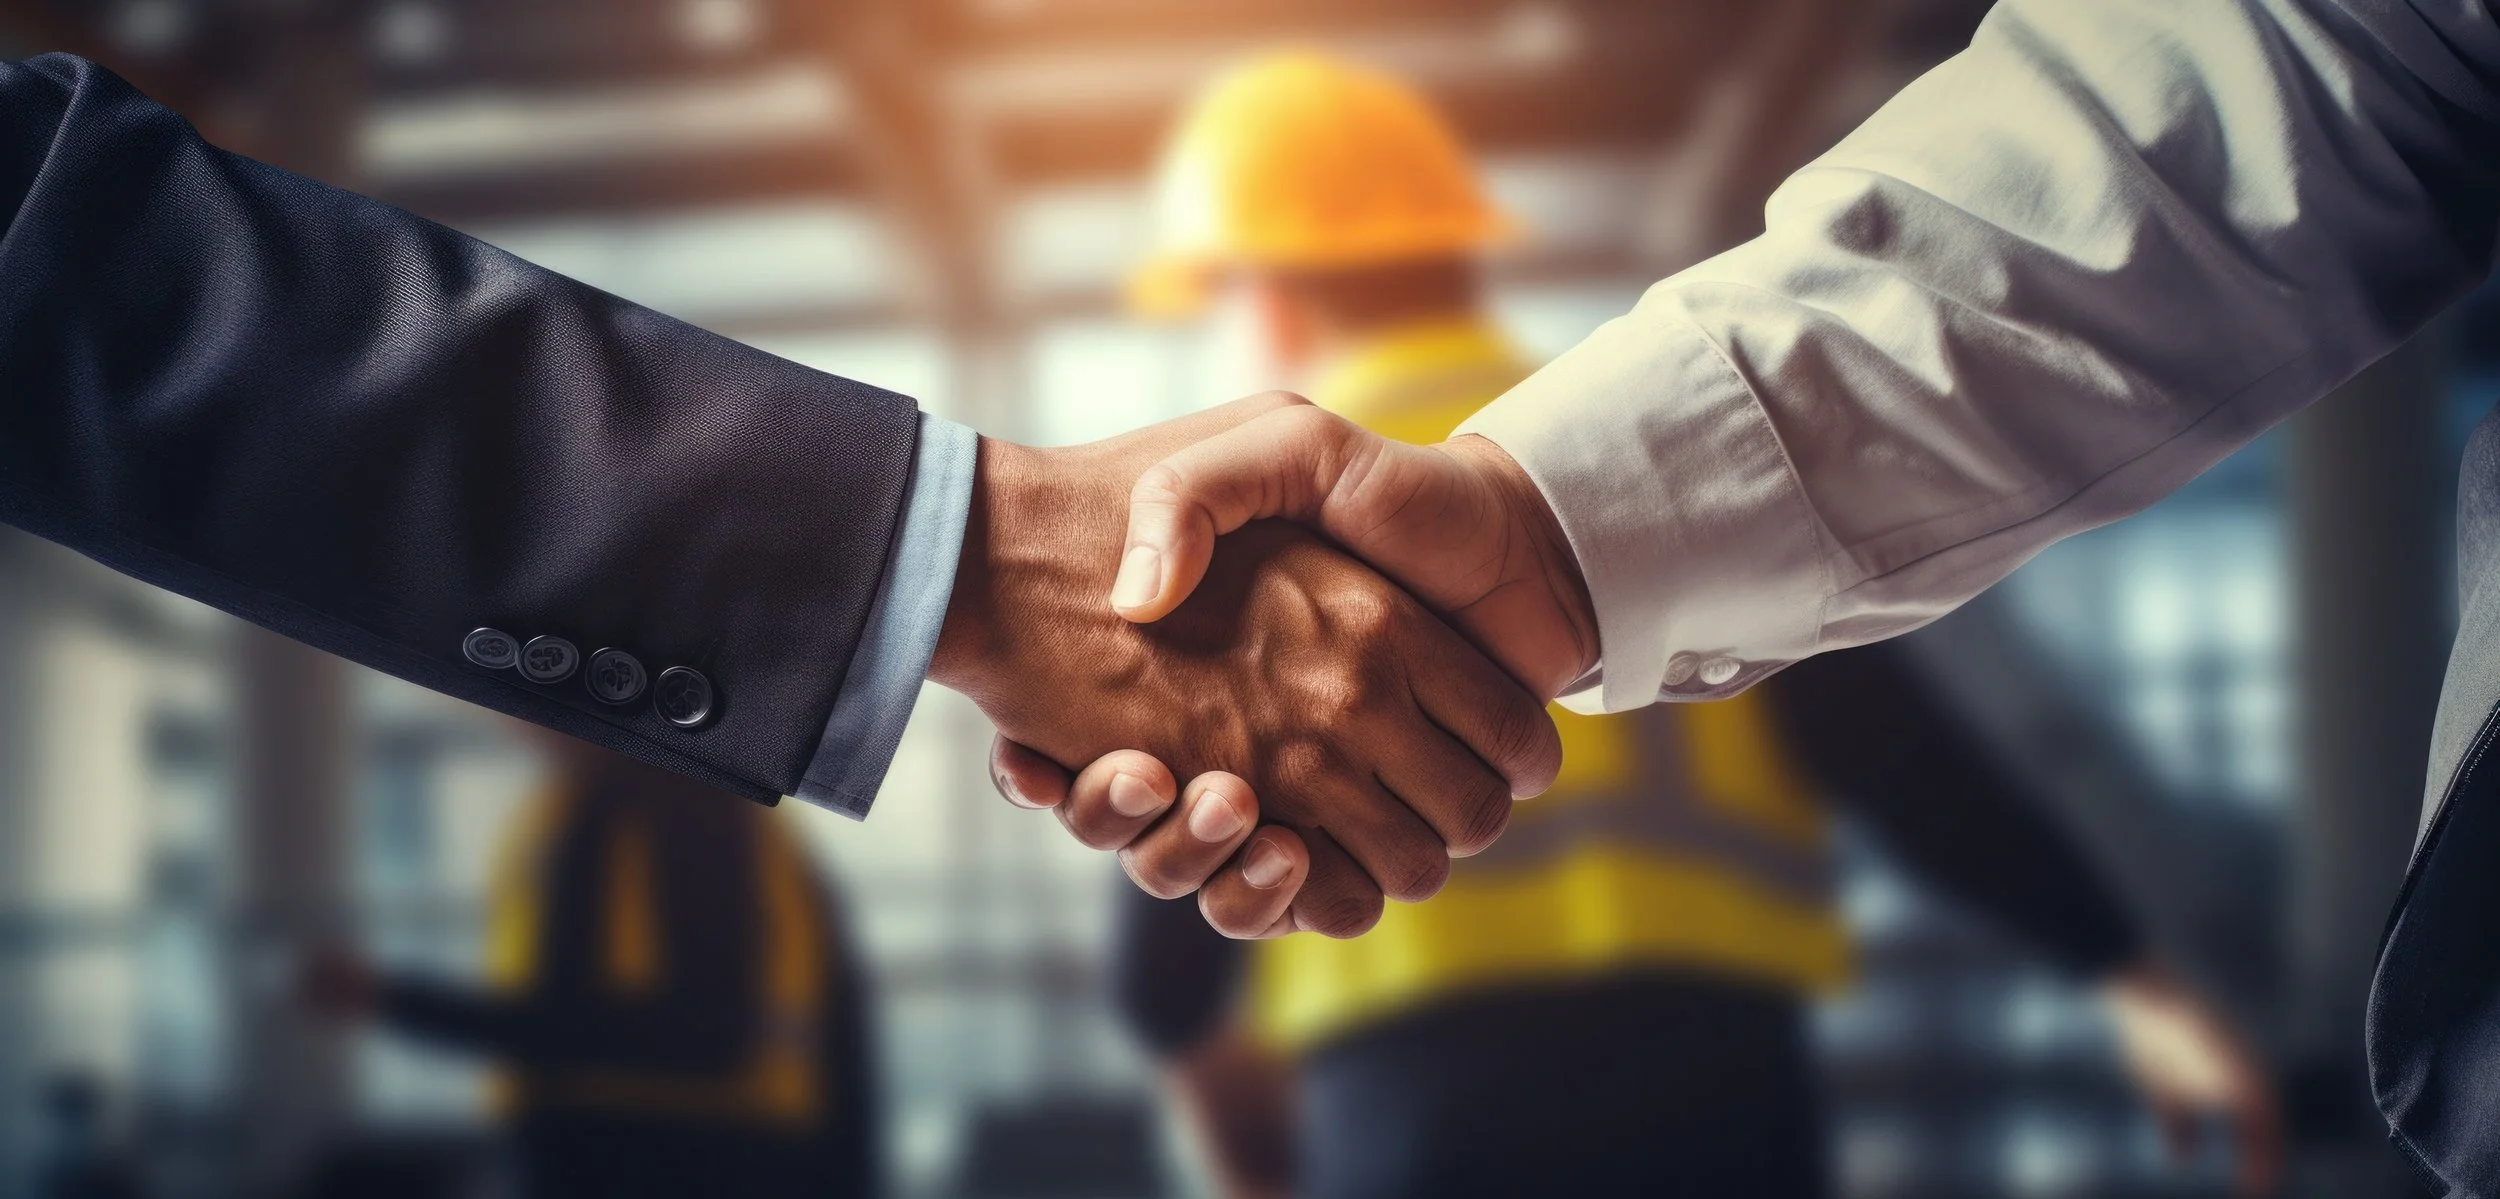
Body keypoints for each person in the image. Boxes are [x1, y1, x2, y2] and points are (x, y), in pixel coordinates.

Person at [1013, 1, 2500, 1190]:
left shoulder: (1278, 521)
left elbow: (1171, 941)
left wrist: (1230, 1119)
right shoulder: (1590, 449)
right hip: (1712, 1081)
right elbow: (1897, 753)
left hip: (1411, 1101)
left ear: (1261, 287)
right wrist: (2129, 974)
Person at [0, 51, 1567, 939]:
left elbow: (69, 265)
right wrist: (977, 555)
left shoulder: (1361, 496)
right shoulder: (1538, 469)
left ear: (1264, 290)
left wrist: (986, 561)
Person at [302, 743, 877, 1198]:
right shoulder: (624, 804)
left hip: (659, 1154)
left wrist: (400, 1002)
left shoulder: (655, 804)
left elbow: (701, 1037)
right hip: (690, 1150)